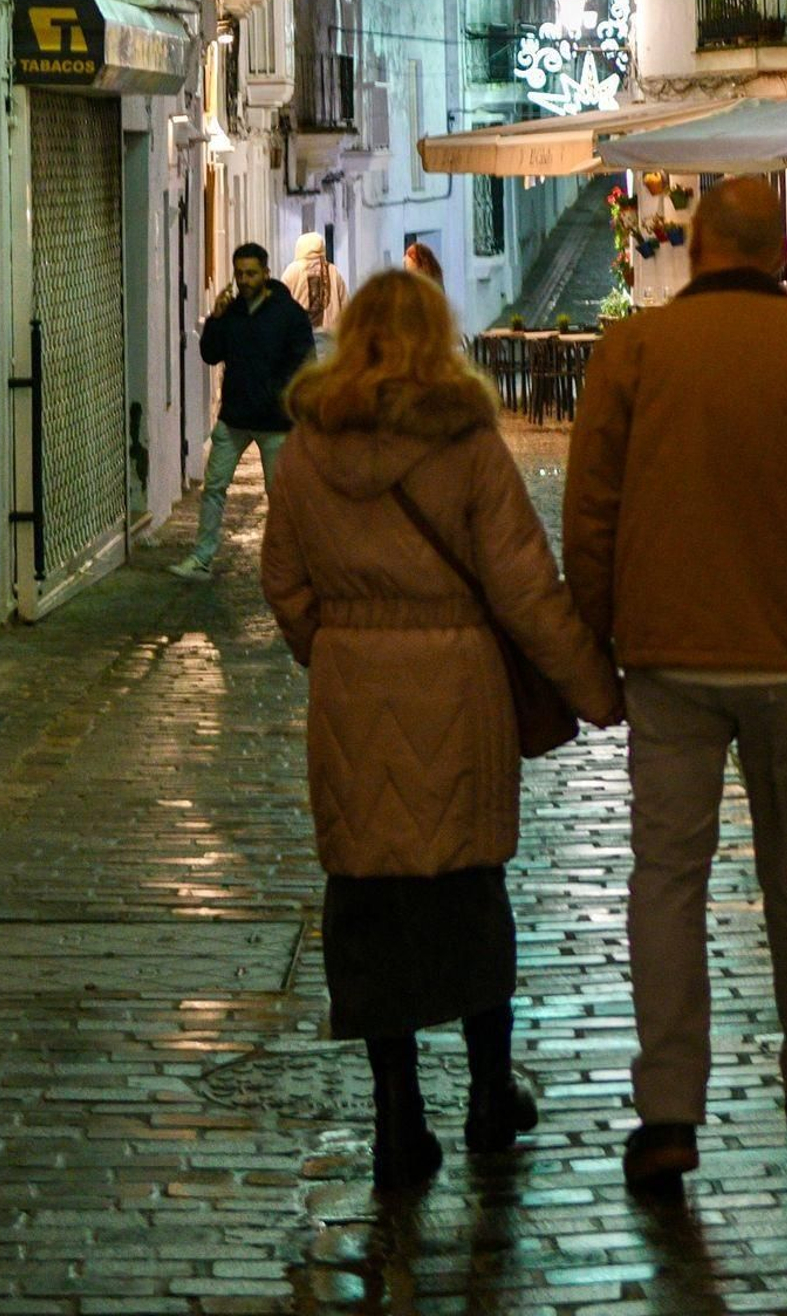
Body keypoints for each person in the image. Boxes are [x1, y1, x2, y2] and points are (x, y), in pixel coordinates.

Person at [562, 175, 787, 1195]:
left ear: (699, 245)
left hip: (667, 657)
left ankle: (667, 1106)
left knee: (665, 878)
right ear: (775, 252)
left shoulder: (634, 352)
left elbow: (590, 510)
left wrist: (598, 637)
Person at [262, 269, 621, 1191]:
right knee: (469, 891)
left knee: (371, 904)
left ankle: (397, 1120)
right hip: (460, 687)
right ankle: (492, 1097)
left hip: (350, 687)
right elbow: (525, 589)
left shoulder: (304, 449)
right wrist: (597, 691)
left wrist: (339, 649)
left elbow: (286, 587)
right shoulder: (466, 445)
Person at [170, 242, 316, 581]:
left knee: (280, 497)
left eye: (251, 273)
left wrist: (281, 394)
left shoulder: (288, 314)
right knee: (214, 489)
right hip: (234, 417)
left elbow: (304, 361)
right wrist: (216, 320)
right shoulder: (232, 312)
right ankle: (202, 558)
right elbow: (210, 353)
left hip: (275, 422)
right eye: (239, 274)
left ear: (266, 273)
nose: (244, 280)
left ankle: (292, 564)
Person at [282, 230, 348, 348]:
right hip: (329, 338)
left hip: (299, 337)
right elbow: (346, 306)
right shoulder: (333, 272)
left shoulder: (292, 271)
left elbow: (281, 306)